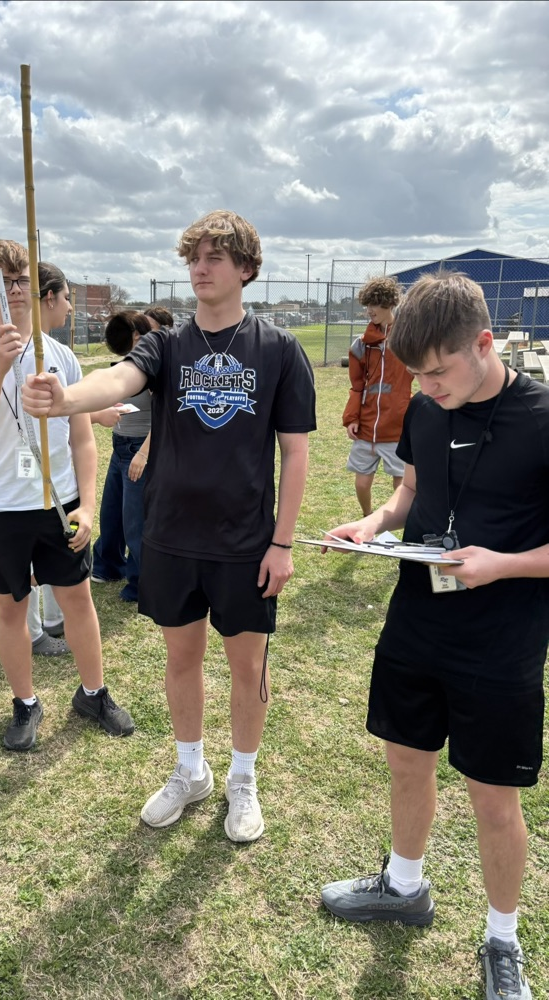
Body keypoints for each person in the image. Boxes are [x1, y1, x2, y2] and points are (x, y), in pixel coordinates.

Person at [22, 210, 316, 840]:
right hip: (171, 537)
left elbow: (295, 453)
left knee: (247, 666)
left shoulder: (280, 350)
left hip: (245, 543)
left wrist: (283, 543)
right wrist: (66, 398)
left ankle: (242, 778)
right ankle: (190, 770)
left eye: (214, 257)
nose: (199, 268)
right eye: (193, 258)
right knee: (181, 660)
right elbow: (118, 378)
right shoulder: (167, 344)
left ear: (246, 269)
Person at [320, 273, 548, 1000]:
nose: (429, 385)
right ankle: (404, 885)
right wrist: (373, 524)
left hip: (502, 640)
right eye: (417, 374)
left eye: (440, 370)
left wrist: (503, 565)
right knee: (406, 763)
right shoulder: (422, 408)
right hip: (417, 623)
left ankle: (502, 941)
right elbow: (411, 491)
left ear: (484, 343)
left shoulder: (543, 416)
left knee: (492, 798)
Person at [0, 241, 134, 750]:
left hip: (58, 502)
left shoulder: (62, 356)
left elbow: (81, 438)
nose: (13, 291)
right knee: (10, 605)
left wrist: (89, 505)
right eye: (1, 282)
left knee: (78, 597)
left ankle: (93, 692)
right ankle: (25, 702)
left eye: (21, 280)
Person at [90, 311, 153, 603]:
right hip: (120, 445)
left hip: (139, 449)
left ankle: (142, 583)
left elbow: (167, 416)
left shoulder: (152, 366)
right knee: (111, 512)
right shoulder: (125, 364)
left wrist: (143, 453)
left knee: (135, 522)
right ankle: (107, 566)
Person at [342, 276, 413, 516]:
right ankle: (367, 517)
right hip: (367, 427)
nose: (369, 311)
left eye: (374, 304)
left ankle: (395, 522)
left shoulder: (408, 341)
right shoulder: (362, 344)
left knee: (400, 482)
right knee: (362, 482)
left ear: (389, 304)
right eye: (367, 305)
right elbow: (357, 386)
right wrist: (352, 418)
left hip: (396, 427)